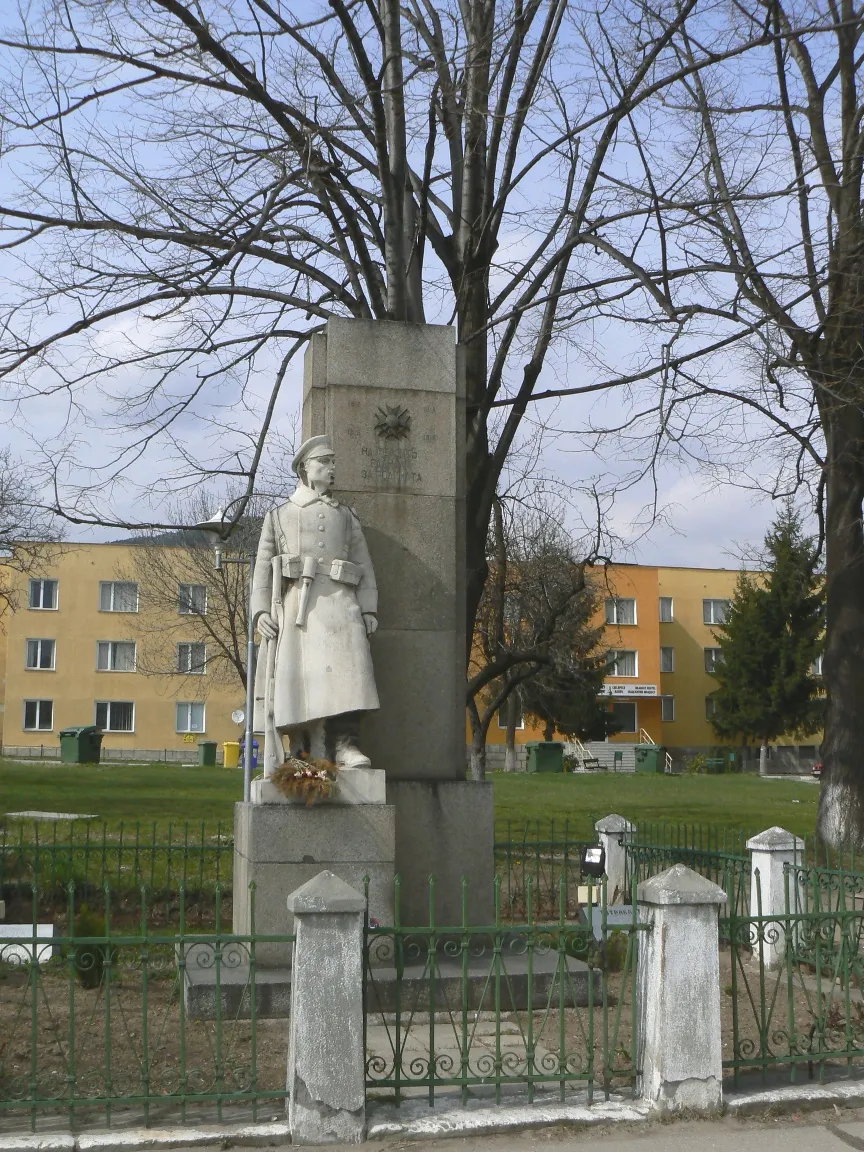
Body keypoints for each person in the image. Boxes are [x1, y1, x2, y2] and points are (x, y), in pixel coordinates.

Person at [251, 435, 379, 770]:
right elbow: (264, 566)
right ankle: (302, 748)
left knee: (351, 673)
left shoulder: (347, 516)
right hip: (299, 607)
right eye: (324, 462)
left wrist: (368, 608)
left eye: (333, 462)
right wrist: (261, 610)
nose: (332, 468)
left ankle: (346, 744)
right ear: (305, 469)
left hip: (341, 603)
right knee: (301, 680)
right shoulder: (279, 515)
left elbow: (364, 564)